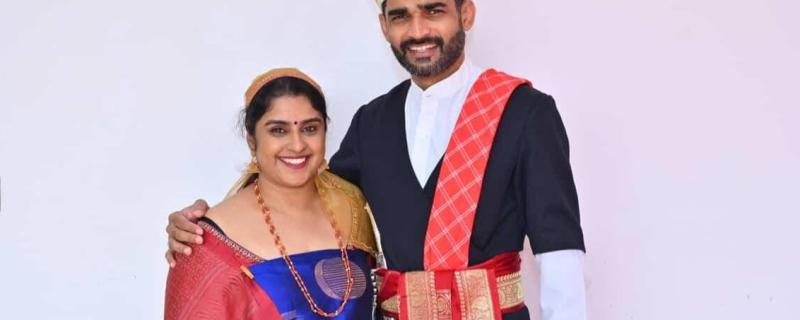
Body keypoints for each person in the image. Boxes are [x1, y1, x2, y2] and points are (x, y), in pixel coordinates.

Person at [167, 1, 587, 319]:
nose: (418, 30)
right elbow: (304, 191)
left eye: (434, 10)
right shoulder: (373, 121)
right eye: (401, 15)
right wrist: (208, 227)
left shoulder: (525, 111)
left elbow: (560, 256)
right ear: (384, 26)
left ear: (467, 13)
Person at [164, 68, 379, 319]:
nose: (297, 145)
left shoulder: (355, 208)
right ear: (251, 140)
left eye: (310, 128)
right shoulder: (206, 243)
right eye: (279, 130)